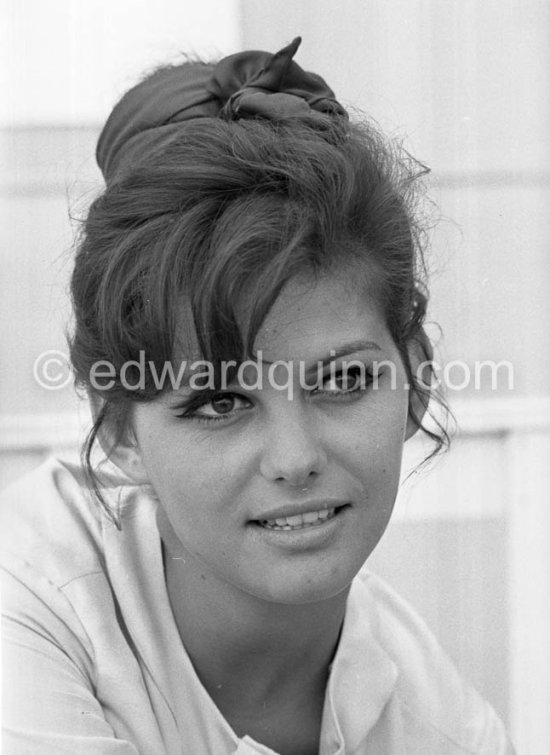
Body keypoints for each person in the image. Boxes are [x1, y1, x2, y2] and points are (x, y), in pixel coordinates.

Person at [1, 37, 514, 754]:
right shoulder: (28, 598)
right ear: (118, 430)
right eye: (220, 402)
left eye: (343, 380)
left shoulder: (444, 726)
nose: (295, 457)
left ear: (417, 383)